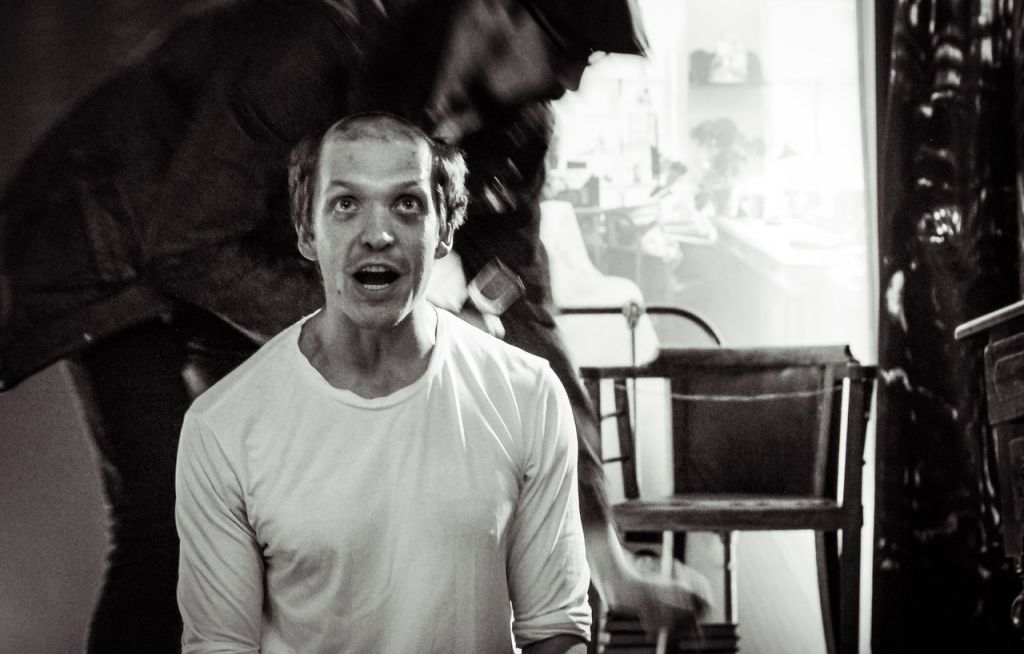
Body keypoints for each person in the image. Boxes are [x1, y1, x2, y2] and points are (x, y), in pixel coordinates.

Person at [0, 0, 707, 650]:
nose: (572, 81)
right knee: (173, 516)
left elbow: (525, 313)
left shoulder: (516, 131)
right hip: (121, 251)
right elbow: (190, 244)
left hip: (240, 252)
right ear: (498, 11)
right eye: (567, 50)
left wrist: (601, 547)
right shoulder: (319, 46)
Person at [176, 112, 591, 653]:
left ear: (445, 231)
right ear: (307, 232)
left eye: (407, 204)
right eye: (346, 204)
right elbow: (219, 646)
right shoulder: (223, 426)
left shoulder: (527, 395)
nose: (377, 235)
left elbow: (555, 628)